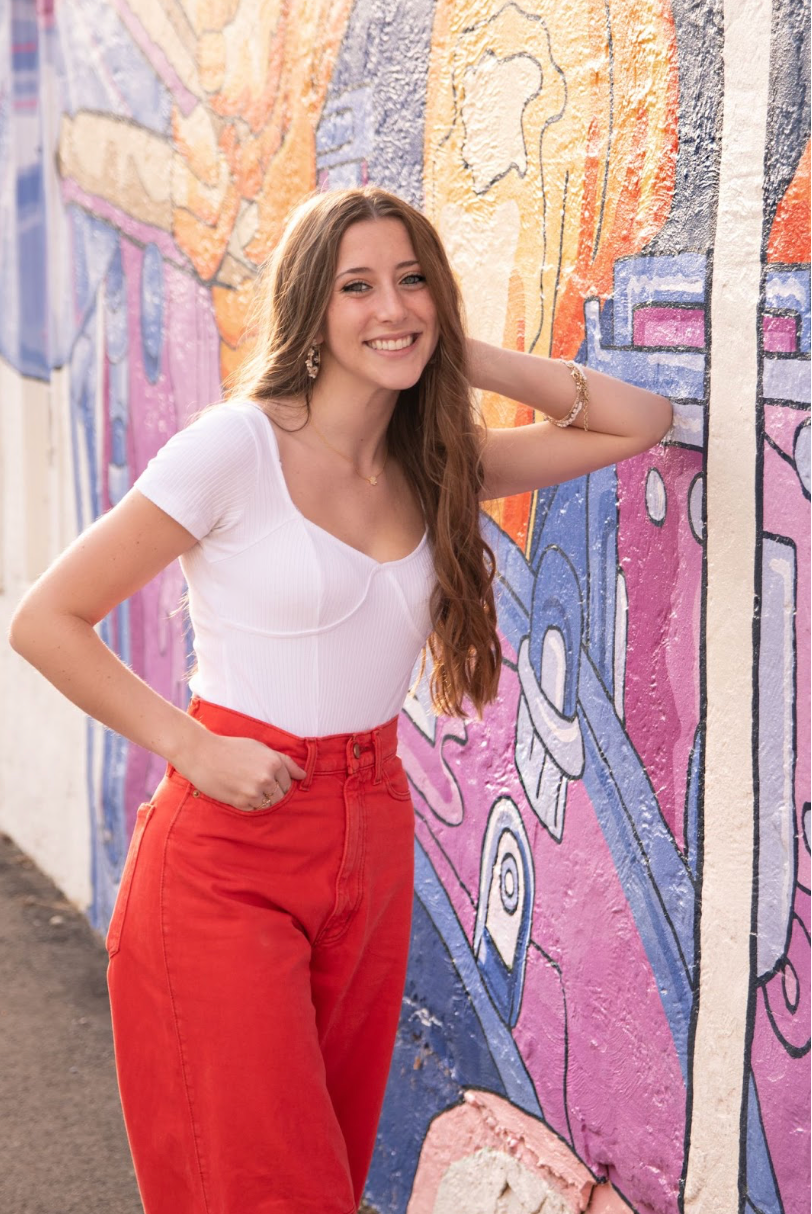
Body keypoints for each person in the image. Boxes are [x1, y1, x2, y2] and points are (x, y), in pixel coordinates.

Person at [9, 186, 673, 1214]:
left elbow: (641, 421)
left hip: (368, 834)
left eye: (411, 280)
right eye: (356, 286)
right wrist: (191, 745)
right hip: (226, 846)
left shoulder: (436, 464)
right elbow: (46, 617)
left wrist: (455, 349)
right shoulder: (237, 448)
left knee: (323, 1167)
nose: (389, 305)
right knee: (274, 1188)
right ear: (311, 309)